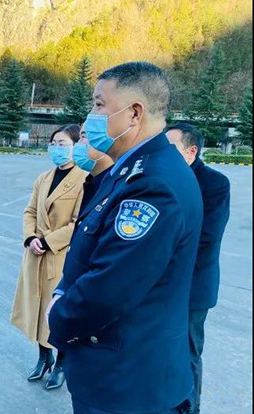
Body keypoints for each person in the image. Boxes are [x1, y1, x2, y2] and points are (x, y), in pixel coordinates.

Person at [46, 62, 203, 414]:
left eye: (99, 104)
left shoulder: (153, 184)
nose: (89, 118)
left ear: (134, 113)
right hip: (117, 376)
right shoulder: (131, 171)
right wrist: (62, 289)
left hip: (127, 384)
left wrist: (58, 317)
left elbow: (110, 287)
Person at [11, 124, 87, 390]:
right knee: (37, 309)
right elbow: (30, 211)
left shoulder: (84, 179)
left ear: (76, 146)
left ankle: (62, 363)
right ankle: (44, 357)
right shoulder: (44, 178)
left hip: (60, 256)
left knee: (58, 312)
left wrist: (47, 241)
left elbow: (79, 223)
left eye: (62, 144)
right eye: (53, 143)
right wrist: (30, 237)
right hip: (36, 255)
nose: (56, 148)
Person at [166, 123, 231, 414]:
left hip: (193, 284)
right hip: (160, 282)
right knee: (162, 347)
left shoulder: (215, 183)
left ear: (191, 151)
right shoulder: (162, 178)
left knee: (188, 350)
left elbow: (207, 236)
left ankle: (190, 408)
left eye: (170, 148)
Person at [72, 126, 115, 212]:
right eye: (79, 138)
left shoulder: (116, 186)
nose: (77, 143)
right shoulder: (92, 181)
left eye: (83, 137)